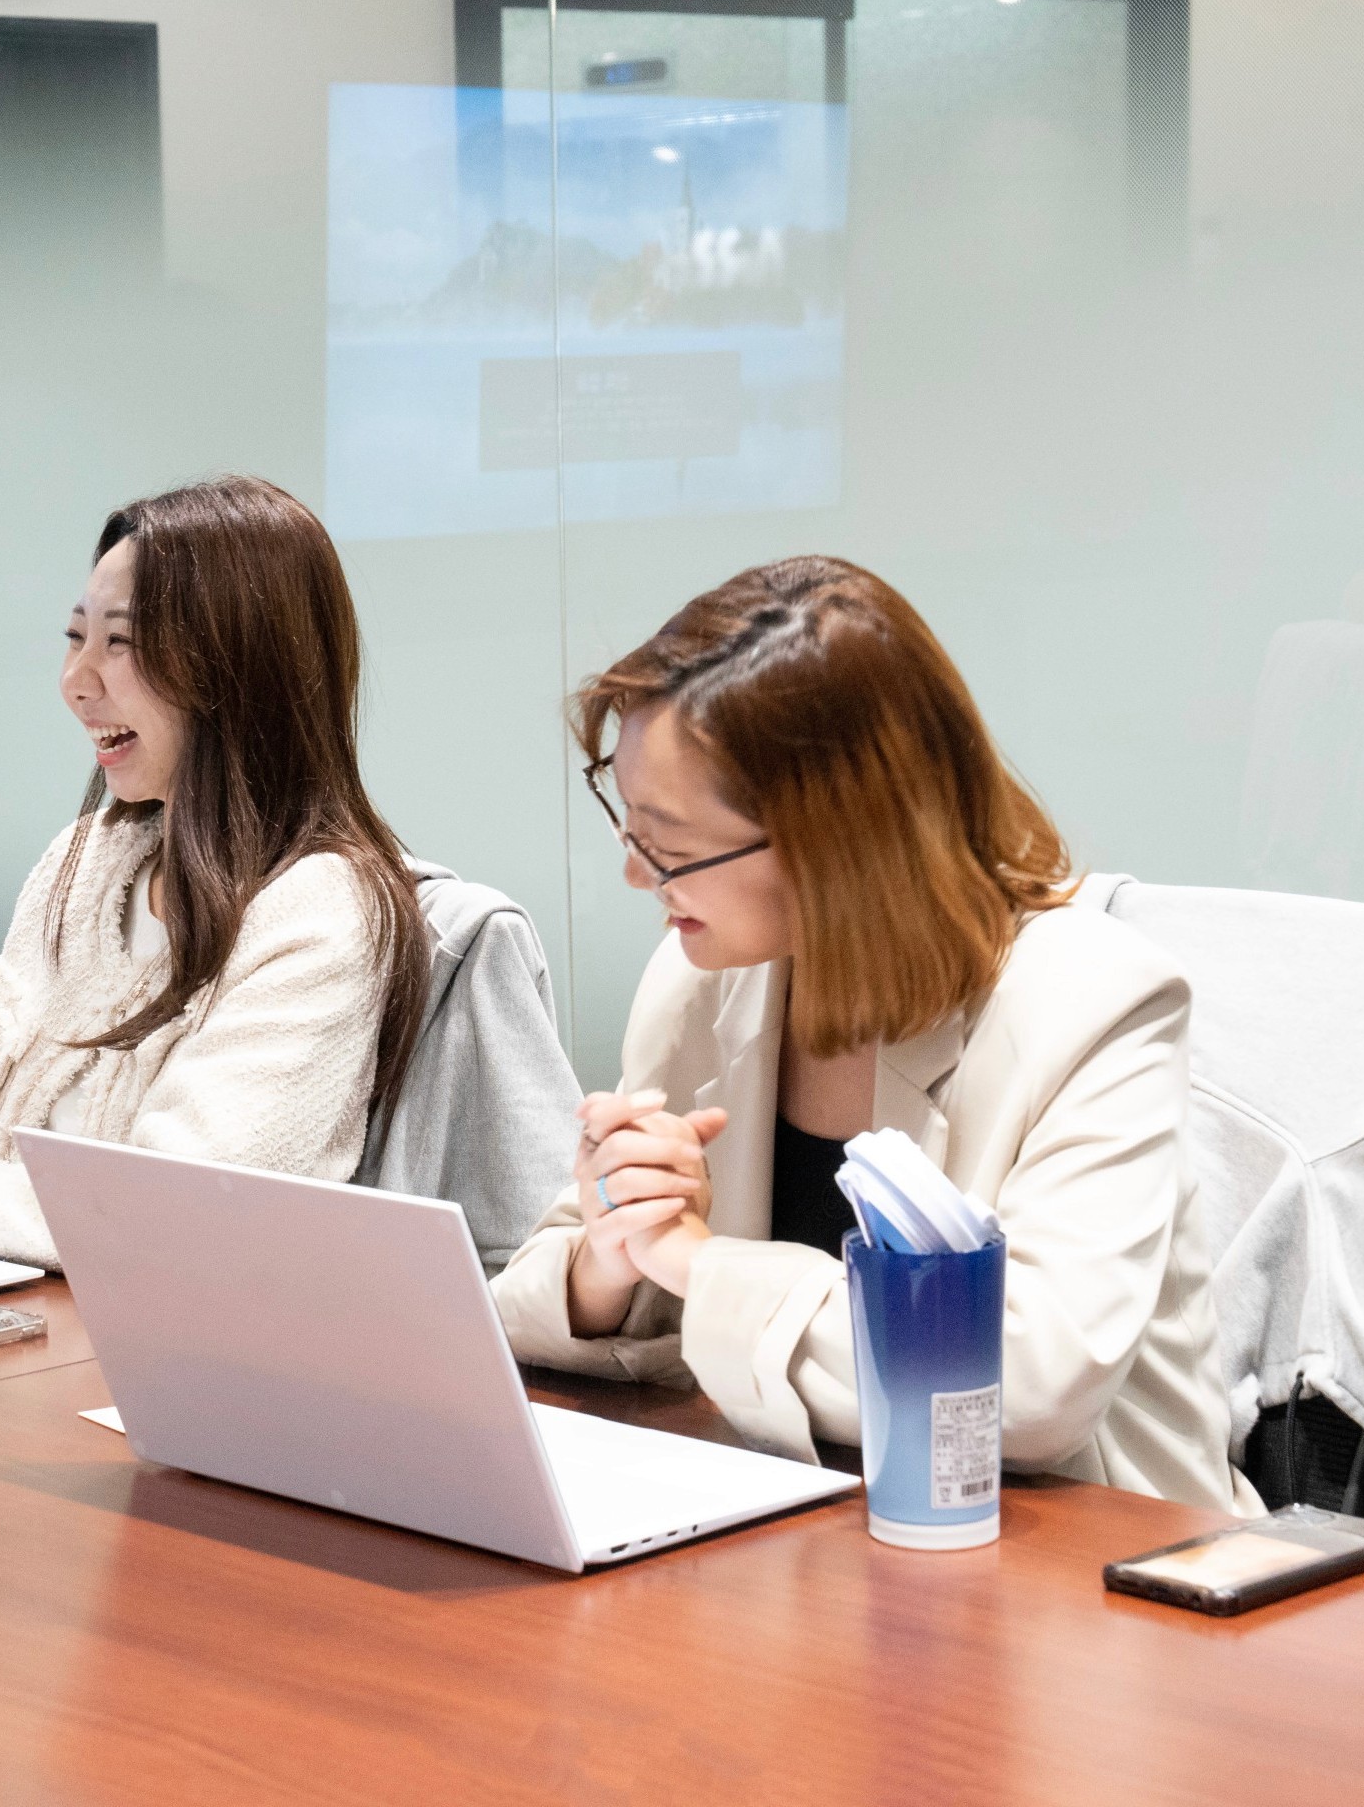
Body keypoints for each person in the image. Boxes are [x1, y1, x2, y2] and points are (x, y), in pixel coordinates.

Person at [491, 556, 1255, 1512]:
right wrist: (612, 1256)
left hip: (1086, 1551)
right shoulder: (703, 978)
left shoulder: (1094, 1001)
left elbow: (1026, 1387)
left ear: (835, 844)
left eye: (669, 847)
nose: (638, 877)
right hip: (808, 1526)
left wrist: (695, 1264)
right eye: (630, 827)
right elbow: (527, 1303)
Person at [0, 476, 429, 1271]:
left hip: (148, 1337)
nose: (76, 682)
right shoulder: (85, 861)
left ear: (241, 667)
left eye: (121, 643)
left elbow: (177, 1212)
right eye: (76, 637)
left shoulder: (320, 911)